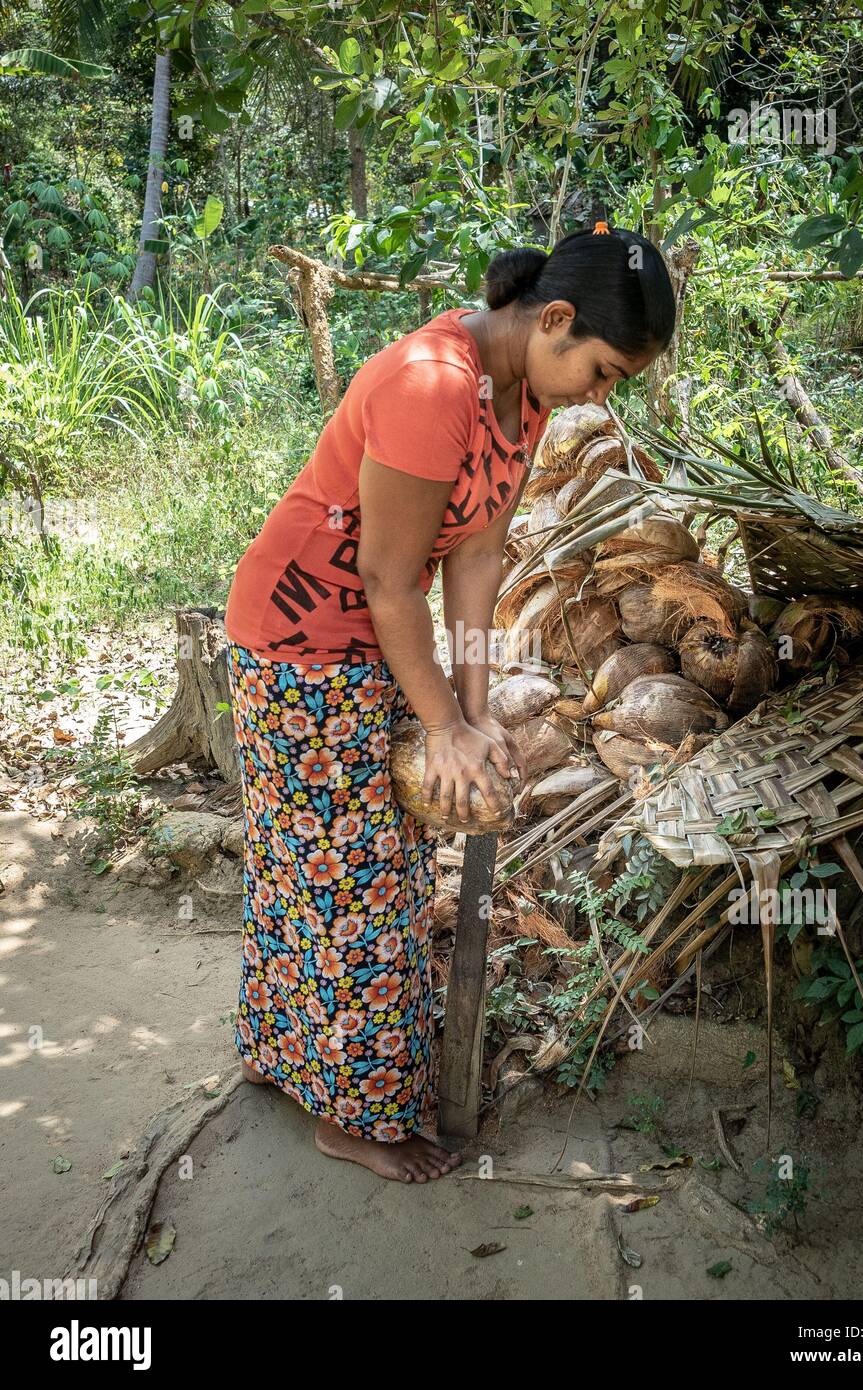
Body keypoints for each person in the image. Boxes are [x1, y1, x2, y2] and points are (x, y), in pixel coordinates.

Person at [222, 222, 677, 1184]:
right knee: (355, 886)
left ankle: (286, 1056)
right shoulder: (429, 384)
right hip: (299, 643)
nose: (601, 397)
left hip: (371, 644)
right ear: (553, 320)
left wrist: (474, 716)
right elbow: (392, 581)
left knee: (327, 867)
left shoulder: (522, 402)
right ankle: (353, 1117)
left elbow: (473, 559)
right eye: (600, 372)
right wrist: (439, 725)